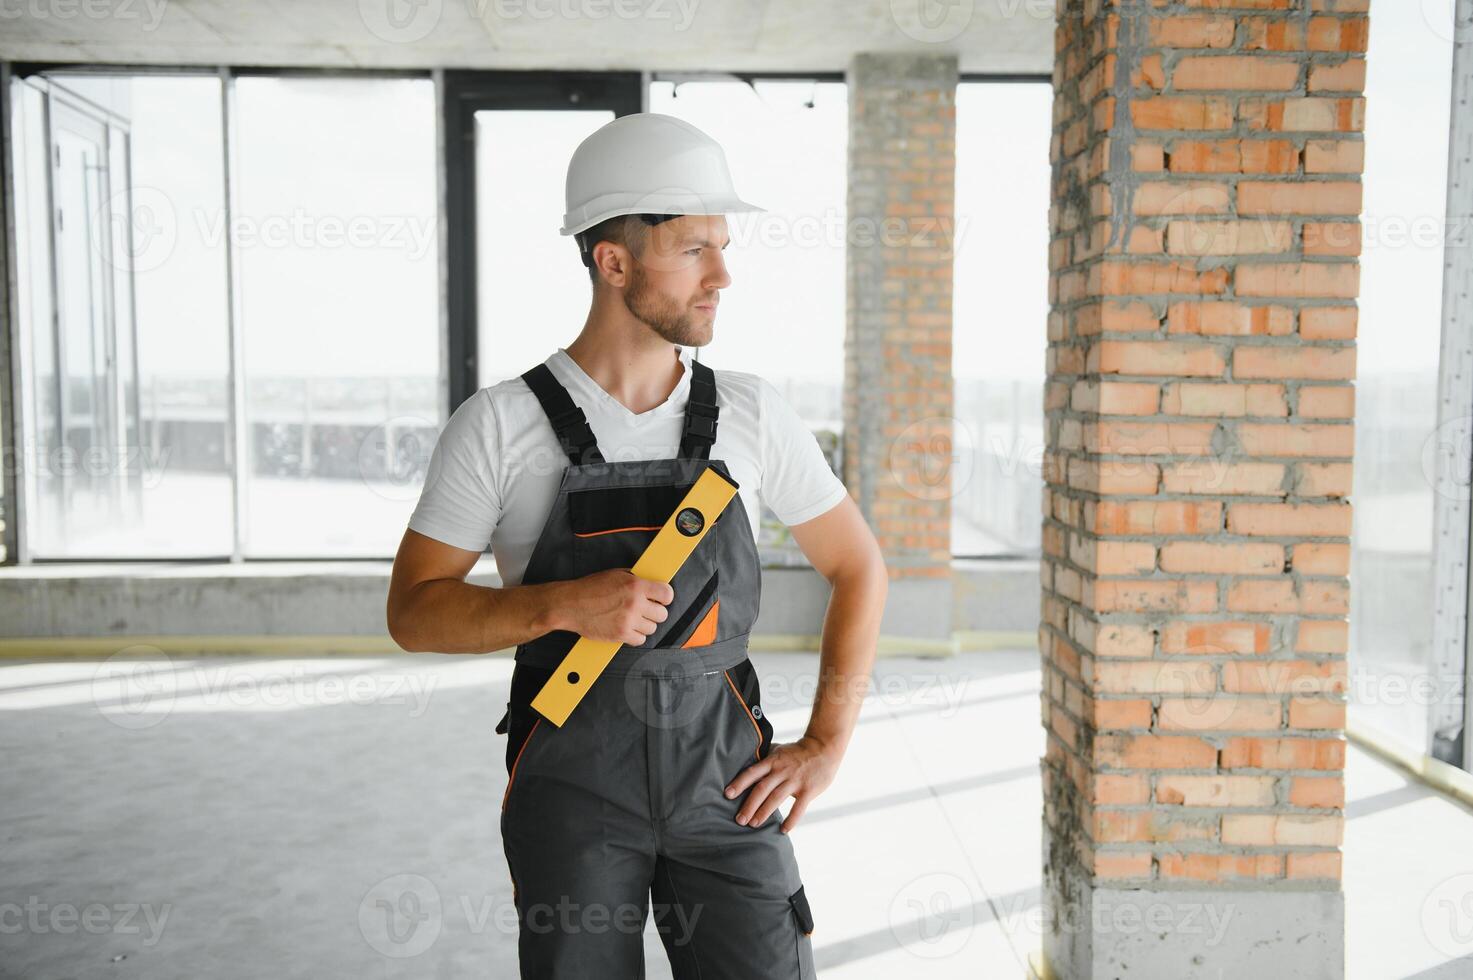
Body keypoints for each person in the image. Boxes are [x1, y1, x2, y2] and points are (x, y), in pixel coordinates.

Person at [387, 112, 887, 979]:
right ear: (612, 261)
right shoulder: (499, 426)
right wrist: (556, 606)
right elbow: (413, 613)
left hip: (726, 785)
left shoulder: (751, 413)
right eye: (694, 249)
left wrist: (826, 743)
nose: (723, 275)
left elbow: (858, 566)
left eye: (723, 247)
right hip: (573, 789)